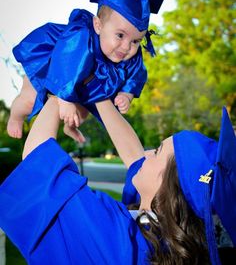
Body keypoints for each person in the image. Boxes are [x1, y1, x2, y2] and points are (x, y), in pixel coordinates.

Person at [0, 96, 235, 265]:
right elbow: (134, 154)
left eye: (157, 151)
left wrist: (57, 92)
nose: (146, 152)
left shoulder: (117, 241)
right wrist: (98, 92)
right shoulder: (163, 240)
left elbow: (38, 159)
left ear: (169, 191)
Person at [6, 0, 171, 143]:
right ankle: (15, 116)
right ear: (98, 25)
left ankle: (70, 125)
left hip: (81, 83)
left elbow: (137, 75)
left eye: (136, 41)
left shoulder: (131, 55)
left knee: (83, 110)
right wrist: (64, 99)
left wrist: (126, 95)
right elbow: (67, 62)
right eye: (120, 35)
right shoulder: (82, 38)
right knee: (28, 101)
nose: (127, 47)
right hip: (51, 66)